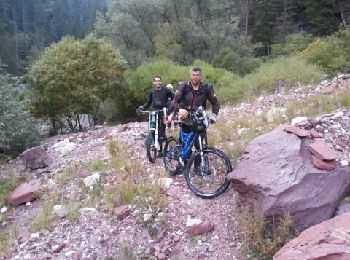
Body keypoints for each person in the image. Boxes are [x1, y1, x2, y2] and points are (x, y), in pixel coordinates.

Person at [172, 66, 220, 167]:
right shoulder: (184, 86)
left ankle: (198, 168)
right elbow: (175, 101)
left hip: (199, 119)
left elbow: (215, 103)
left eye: (197, 75)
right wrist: (179, 109)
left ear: (201, 76)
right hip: (185, 118)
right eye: (193, 75)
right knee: (185, 144)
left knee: (200, 144)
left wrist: (214, 115)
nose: (195, 77)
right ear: (190, 75)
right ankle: (183, 164)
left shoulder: (207, 87)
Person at [138, 75, 174, 157]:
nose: (157, 82)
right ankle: (155, 146)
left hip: (163, 112)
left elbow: (174, 98)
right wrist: (142, 107)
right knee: (153, 130)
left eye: (159, 80)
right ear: (153, 82)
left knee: (161, 131)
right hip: (154, 113)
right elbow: (148, 102)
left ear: (161, 82)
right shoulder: (152, 91)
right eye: (156, 81)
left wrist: (170, 107)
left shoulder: (166, 90)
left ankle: (161, 150)